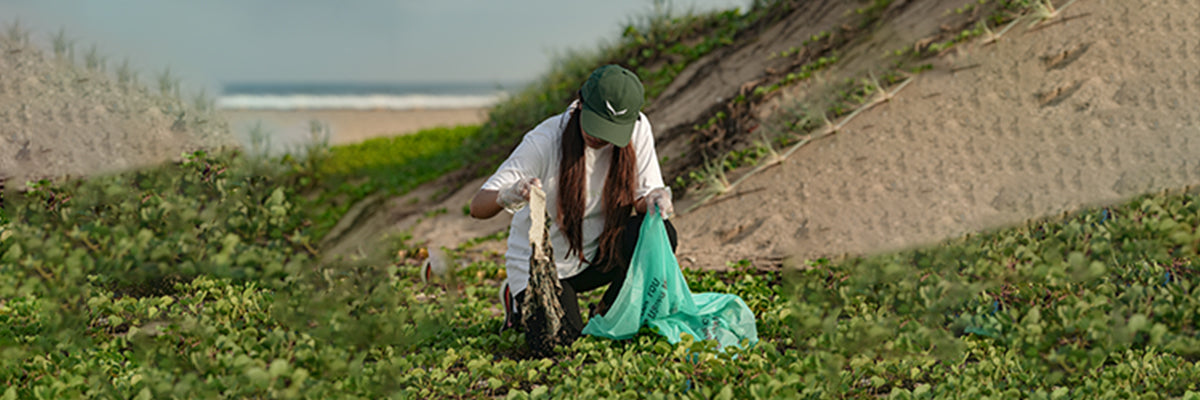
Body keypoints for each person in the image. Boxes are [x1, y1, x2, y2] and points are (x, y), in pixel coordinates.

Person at [469, 65, 677, 345]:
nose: (599, 137)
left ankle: (606, 312)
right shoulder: (544, 141)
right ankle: (518, 299)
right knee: (558, 345)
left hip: (597, 254)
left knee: (662, 233)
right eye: (596, 125)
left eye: (610, 131)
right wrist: (510, 194)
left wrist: (654, 200)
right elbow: (477, 206)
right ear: (580, 103)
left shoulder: (637, 129)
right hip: (545, 267)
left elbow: (641, 198)